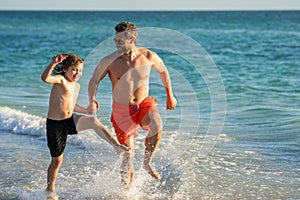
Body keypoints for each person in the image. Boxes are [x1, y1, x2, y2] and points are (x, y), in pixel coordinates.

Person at [88, 21, 177, 190]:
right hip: (122, 110)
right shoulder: (109, 61)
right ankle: (126, 191)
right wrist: (92, 99)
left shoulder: (148, 56)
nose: (117, 45)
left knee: (157, 126)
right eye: (116, 41)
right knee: (128, 154)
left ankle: (147, 163)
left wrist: (169, 95)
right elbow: (94, 80)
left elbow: (163, 71)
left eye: (120, 42)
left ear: (133, 39)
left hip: (144, 104)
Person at [41, 53, 128, 196]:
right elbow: (44, 78)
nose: (77, 73)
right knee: (57, 161)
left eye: (80, 70)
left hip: (70, 120)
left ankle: (117, 146)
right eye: (74, 69)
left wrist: (87, 110)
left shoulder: (77, 86)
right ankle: (50, 190)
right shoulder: (60, 80)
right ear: (65, 69)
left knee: (93, 121)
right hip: (55, 125)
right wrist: (53, 64)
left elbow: (72, 105)